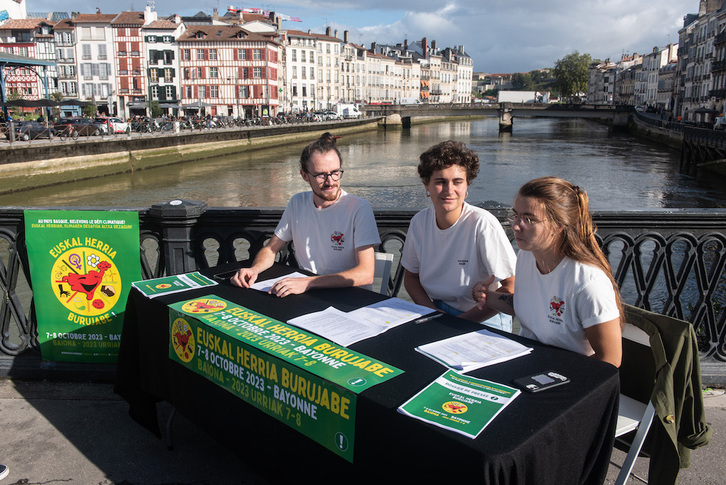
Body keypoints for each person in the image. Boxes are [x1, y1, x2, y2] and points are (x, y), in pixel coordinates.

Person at [472, 176, 622, 367]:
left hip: (565, 377)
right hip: (526, 362)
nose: (516, 226)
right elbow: (529, 306)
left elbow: (610, 359)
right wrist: (488, 296)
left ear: (558, 225)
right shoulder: (527, 256)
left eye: (528, 219)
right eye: (516, 215)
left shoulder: (587, 281)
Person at [231, 132, 380, 297]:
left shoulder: (358, 208)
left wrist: (309, 282)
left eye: (335, 172)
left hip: (349, 297)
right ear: (304, 175)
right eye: (321, 175)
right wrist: (254, 269)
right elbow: (271, 249)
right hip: (309, 294)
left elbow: (366, 273)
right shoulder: (297, 203)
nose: (330, 181)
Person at [401, 140, 516, 330]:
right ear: (426, 185)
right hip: (438, 310)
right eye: (440, 182)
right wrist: (433, 313)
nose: (449, 190)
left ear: (467, 186)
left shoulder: (482, 224)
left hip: (485, 316)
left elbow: (511, 286)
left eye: (457, 182)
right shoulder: (419, 222)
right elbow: (411, 278)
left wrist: (459, 323)